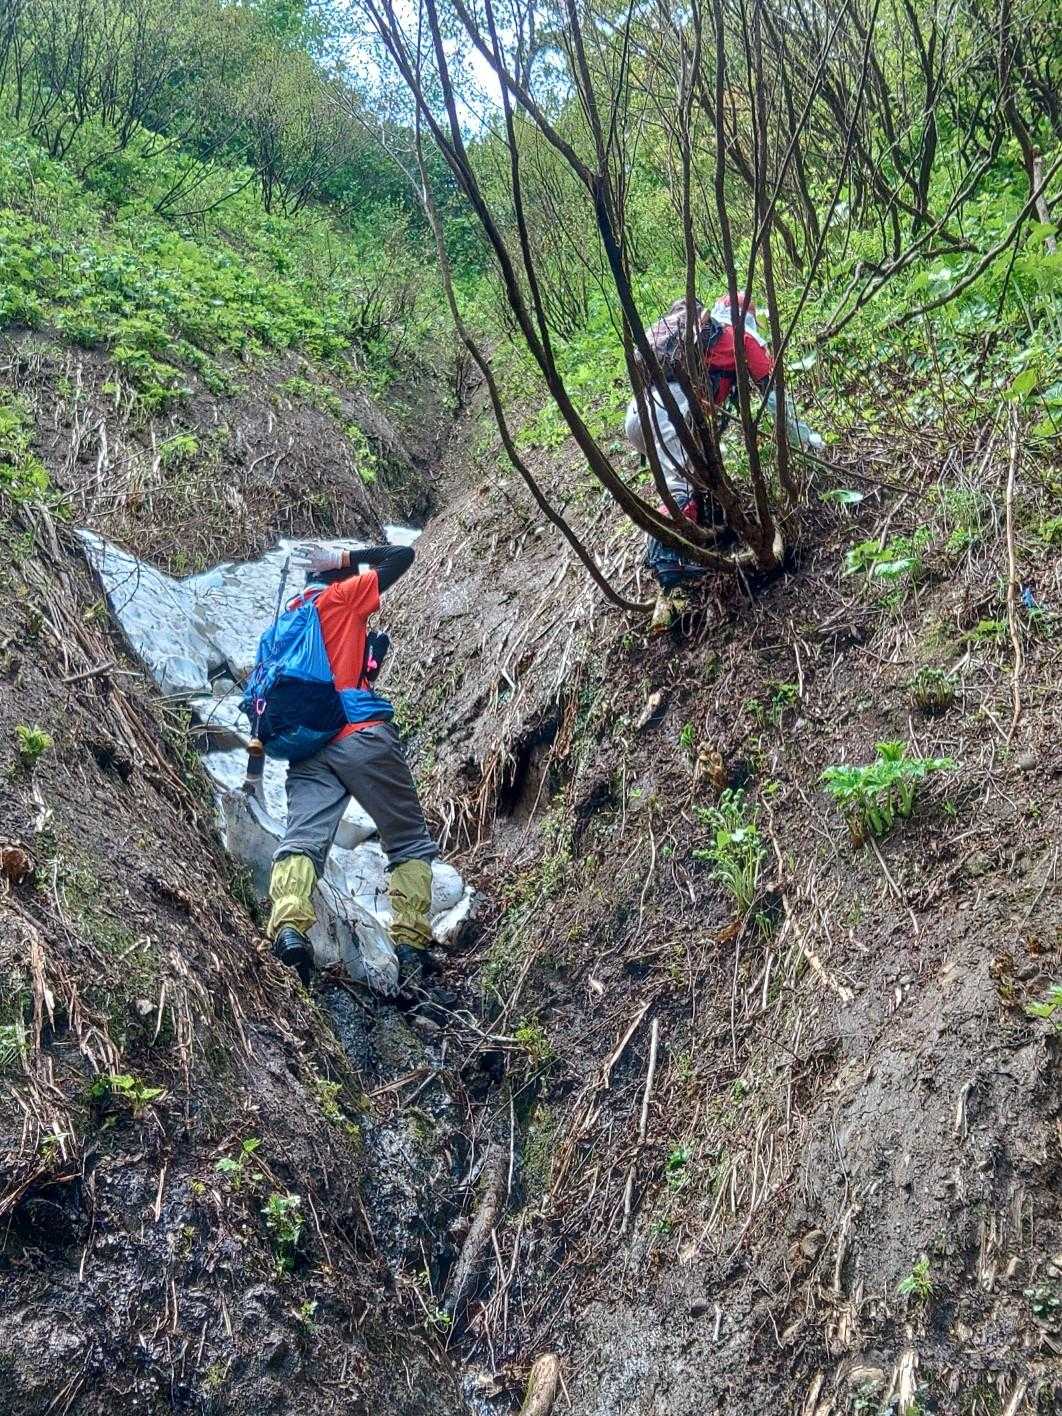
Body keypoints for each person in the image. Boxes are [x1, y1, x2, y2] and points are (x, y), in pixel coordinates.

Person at [264, 542, 440, 991]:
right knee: (408, 841)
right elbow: (401, 556)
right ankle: (411, 947)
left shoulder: (286, 623)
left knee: (302, 840)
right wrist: (344, 559)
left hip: (307, 747)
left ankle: (289, 930)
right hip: (360, 735)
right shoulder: (341, 597)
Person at [625, 292, 822, 631]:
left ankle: (698, 535)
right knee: (681, 487)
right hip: (672, 413)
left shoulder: (704, 335)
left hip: (639, 412)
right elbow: (775, 400)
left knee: (694, 478)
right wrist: (806, 440)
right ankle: (670, 576)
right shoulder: (743, 339)